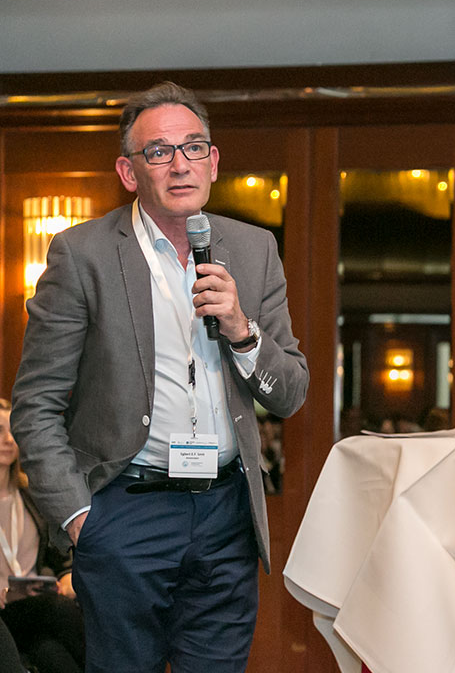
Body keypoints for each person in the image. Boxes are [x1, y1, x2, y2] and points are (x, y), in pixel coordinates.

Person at [11, 82, 310, 673]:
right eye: (159, 152)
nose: (180, 165)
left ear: (213, 162)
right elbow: (35, 404)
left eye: (194, 148)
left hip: (226, 514)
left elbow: (292, 394)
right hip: (125, 510)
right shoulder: (83, 254)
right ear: (129, 172)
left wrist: (241, 329)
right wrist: (78, 518)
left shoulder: (254, 249)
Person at [0, 399, 85, 673]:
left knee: (51, 654)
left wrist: (67, 579)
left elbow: (61, 562)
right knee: (58, 609)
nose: (8, 440)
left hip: (33, 607)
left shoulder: (32, 496)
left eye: (13, 430)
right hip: (6, 611)